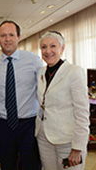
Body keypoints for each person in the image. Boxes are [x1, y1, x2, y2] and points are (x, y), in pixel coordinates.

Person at [0, 20, 42, 170]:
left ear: (18, 37)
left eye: (11, 35)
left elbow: (43, 90)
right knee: (7, 164)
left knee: (31, 164)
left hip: (29, 123)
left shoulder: (33, 61)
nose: (7, 39)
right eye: (3, 35)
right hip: (3, 124)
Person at [35, 31, 90, 170]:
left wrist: (78, 147)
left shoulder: (74, 72)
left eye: (53, 46)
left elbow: (82, 112)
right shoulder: (41, 72)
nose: (48, 51)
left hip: (67, 140)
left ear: (62, 48)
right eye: (43, 47)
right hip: (44, 136)